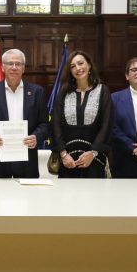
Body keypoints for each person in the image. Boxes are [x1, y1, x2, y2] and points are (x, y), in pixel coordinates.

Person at [0, 49, 50, 178]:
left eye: (18, 64)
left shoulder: (37, 92)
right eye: (10, 63)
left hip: (27, 159)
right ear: (2, 67)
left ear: (23, 68)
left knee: (26, 192)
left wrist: (36, 137)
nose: (14, 67)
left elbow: (44, 124)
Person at [51, 50, 112, 178]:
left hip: (94, 159)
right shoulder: (63, 92)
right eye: (73, 66)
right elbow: (55, 124)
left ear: (89, 65)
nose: (78, 68)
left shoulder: (103, 90)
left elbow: (107, 124)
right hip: (68, 160)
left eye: (80, 63)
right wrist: (63, 154)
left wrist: (93, 153)